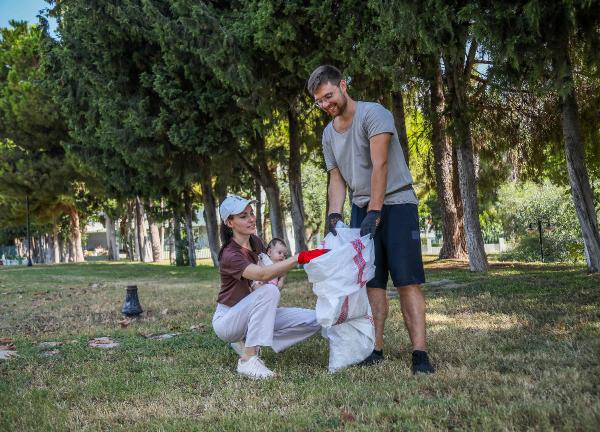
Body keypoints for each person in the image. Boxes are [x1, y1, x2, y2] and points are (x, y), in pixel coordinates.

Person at [307, 65, 434, 374]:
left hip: (397, 204)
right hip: (362, 208)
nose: (326, 105)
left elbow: (380, 165)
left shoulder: (374, 114)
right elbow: (335, 177)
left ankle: (420, 354)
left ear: (343, 85)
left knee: (406, 281)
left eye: (328, 96)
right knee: (372, 285)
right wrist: (335, 214)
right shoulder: (328, 134)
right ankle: (375, 348)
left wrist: (376, 211)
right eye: (319, 101)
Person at [212, 195, 326, 379]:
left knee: (316, 319)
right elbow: (263, 275)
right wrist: (298, 258)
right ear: (229, 222)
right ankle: (248, 360)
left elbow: (268, 270)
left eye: (251, 213)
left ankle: (250, 342)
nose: (251, 218)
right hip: (228, 320)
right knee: (270, 290)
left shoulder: (255, 242)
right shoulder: (230, 254)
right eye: (243, 216)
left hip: (251, 314)